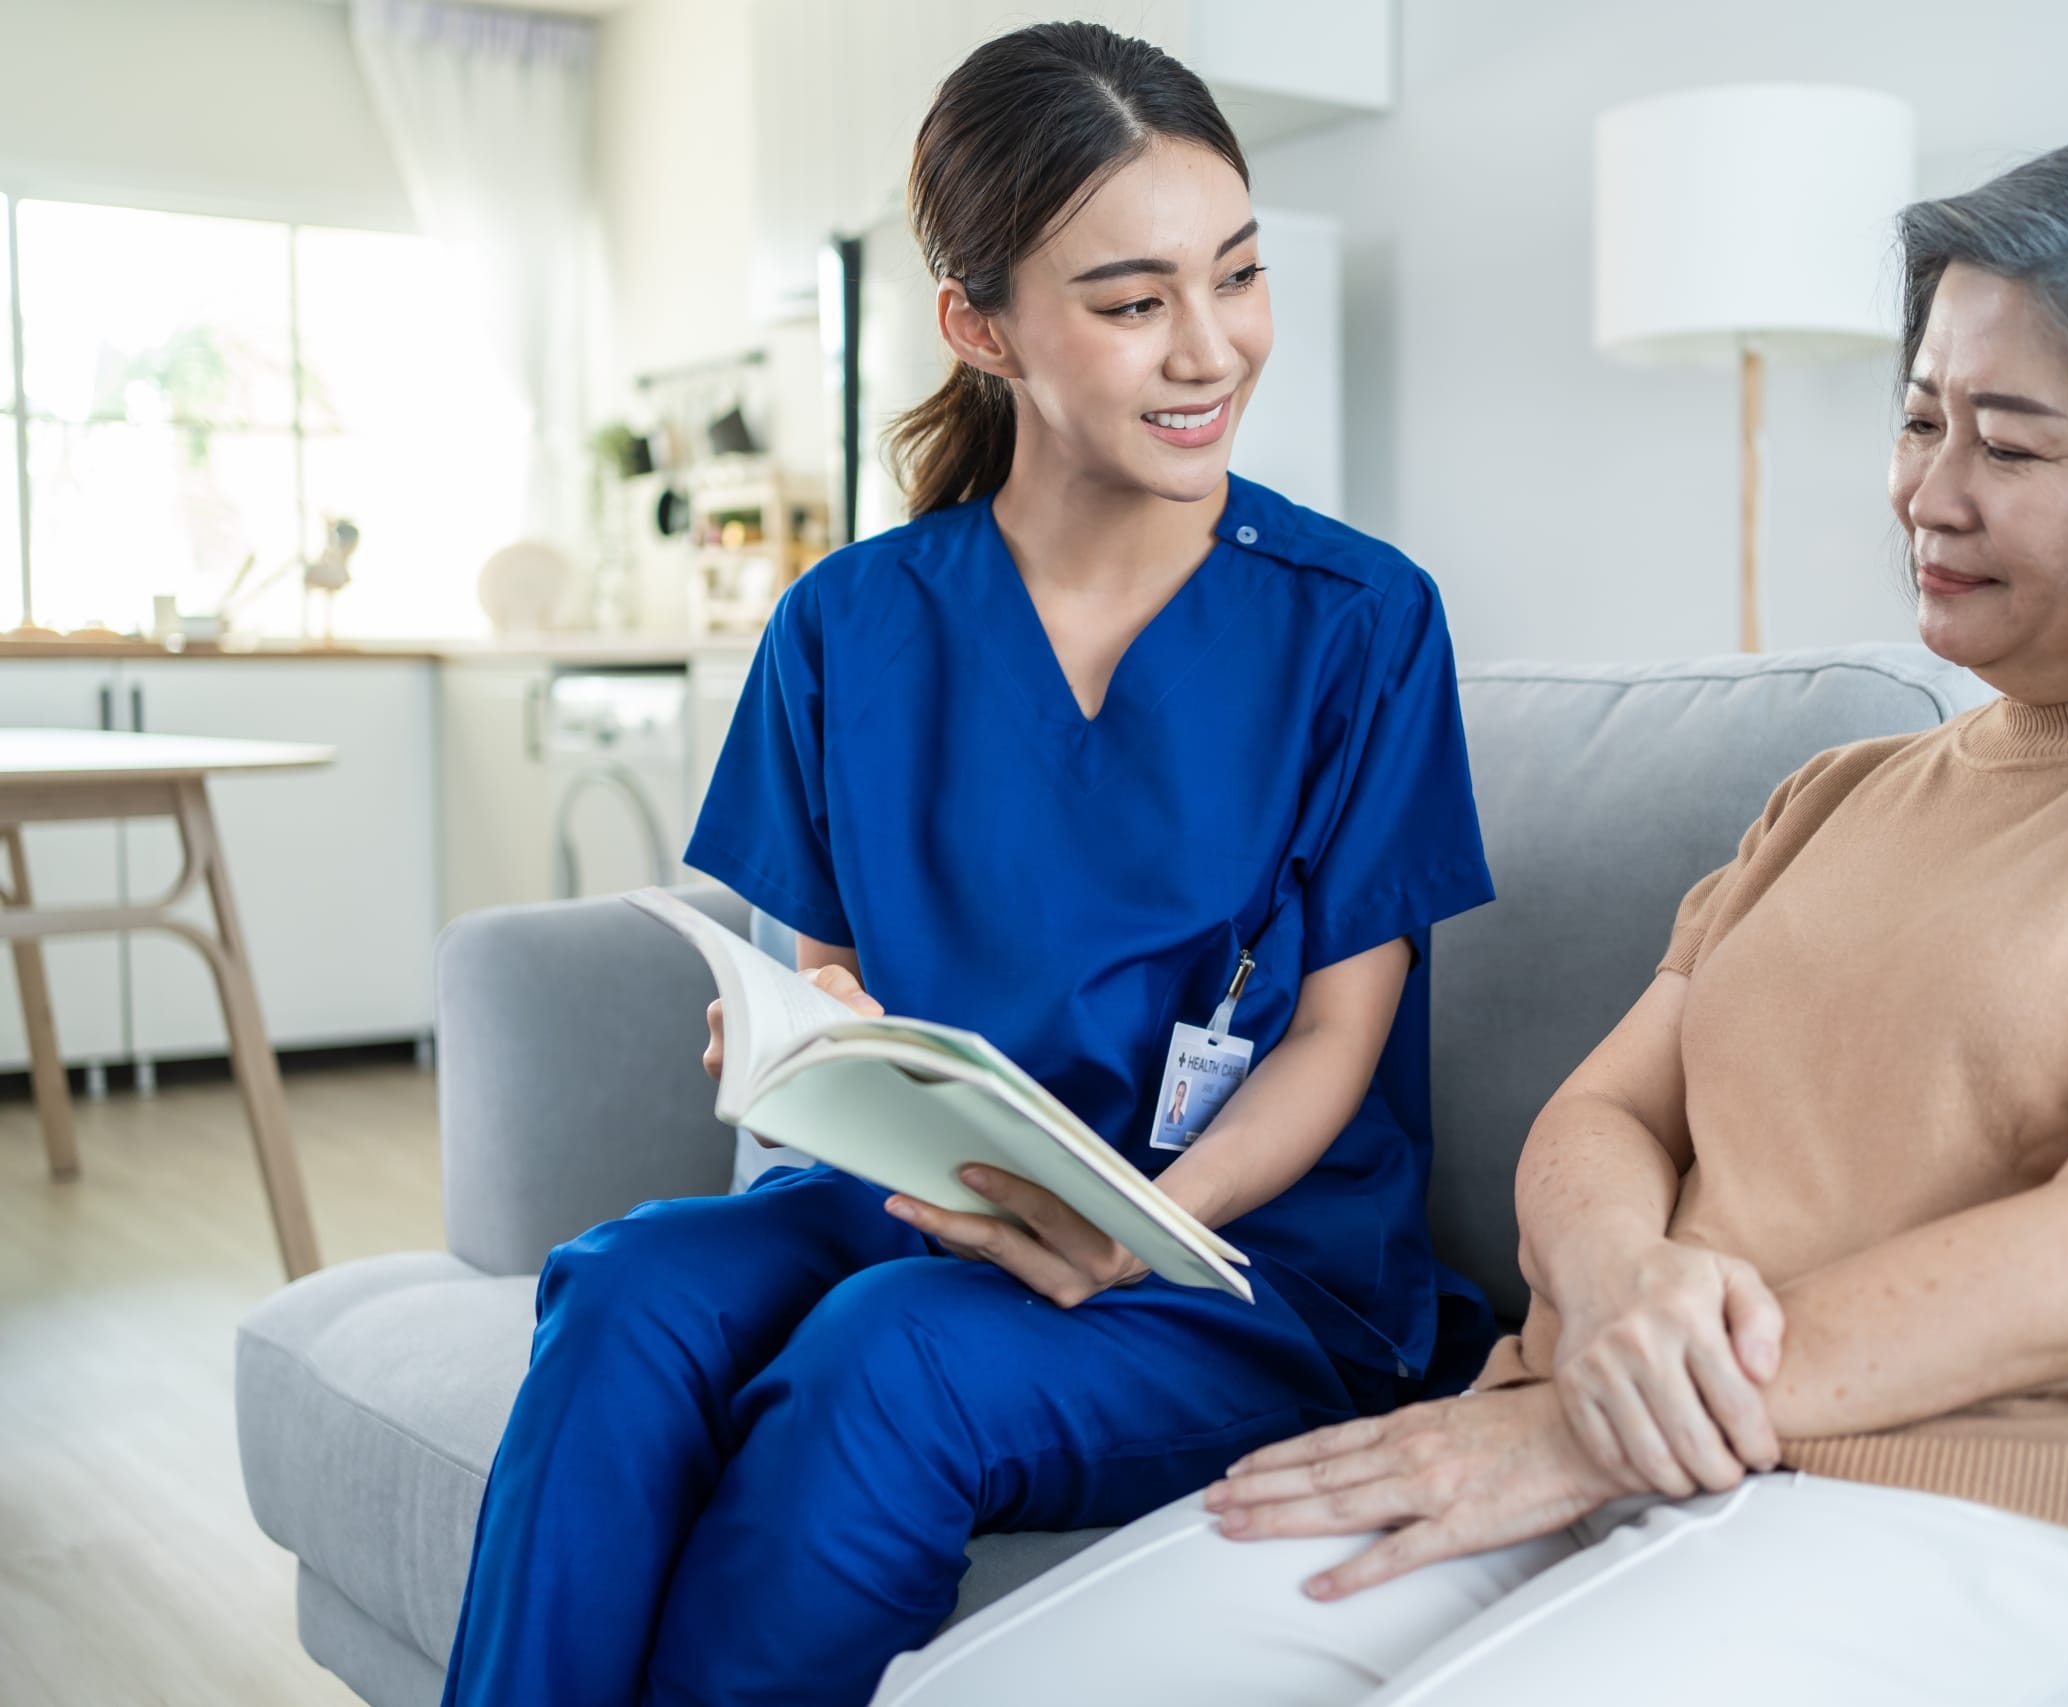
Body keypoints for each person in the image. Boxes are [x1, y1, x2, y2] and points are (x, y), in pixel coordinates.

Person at [873, 126, 2068, 1707]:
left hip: (2017, 1510)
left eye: (2008, 446)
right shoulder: (1844, 789)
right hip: (1618, 1426)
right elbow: (1605, 1111)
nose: (1925, 494)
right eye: (1922, 419)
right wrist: (1610, 1290)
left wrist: (1597, 1423)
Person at [436, 23, 1494, 1707]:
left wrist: (1135, 1230)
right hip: (908, 1206)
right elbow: (831, 967)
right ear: (980, 326)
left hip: (1235, 1264)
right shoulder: (846, 627)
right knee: (630, 1289)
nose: (1211, 347)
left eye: (1237, 276)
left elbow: (1336, 1041)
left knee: (891, 1361)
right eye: (1134, 300)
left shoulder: (1364, 624)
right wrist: (806, 1041)